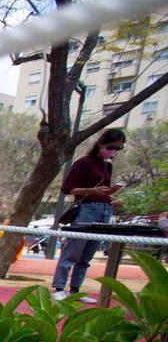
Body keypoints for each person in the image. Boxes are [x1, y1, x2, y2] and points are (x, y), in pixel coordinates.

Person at [53, 128, 126, 303]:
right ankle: (59, 288)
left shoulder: (107, 165)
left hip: (104, 209)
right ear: (101, 143)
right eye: (111, 147)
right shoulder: (84, 162)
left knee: (87, 255)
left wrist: (111, 198)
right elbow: (67, 189)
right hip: (87, 209)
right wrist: (92, 191)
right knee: (72, 251)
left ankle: (75, 290)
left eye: (118, 148)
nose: (113, 152)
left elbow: (102, 191)